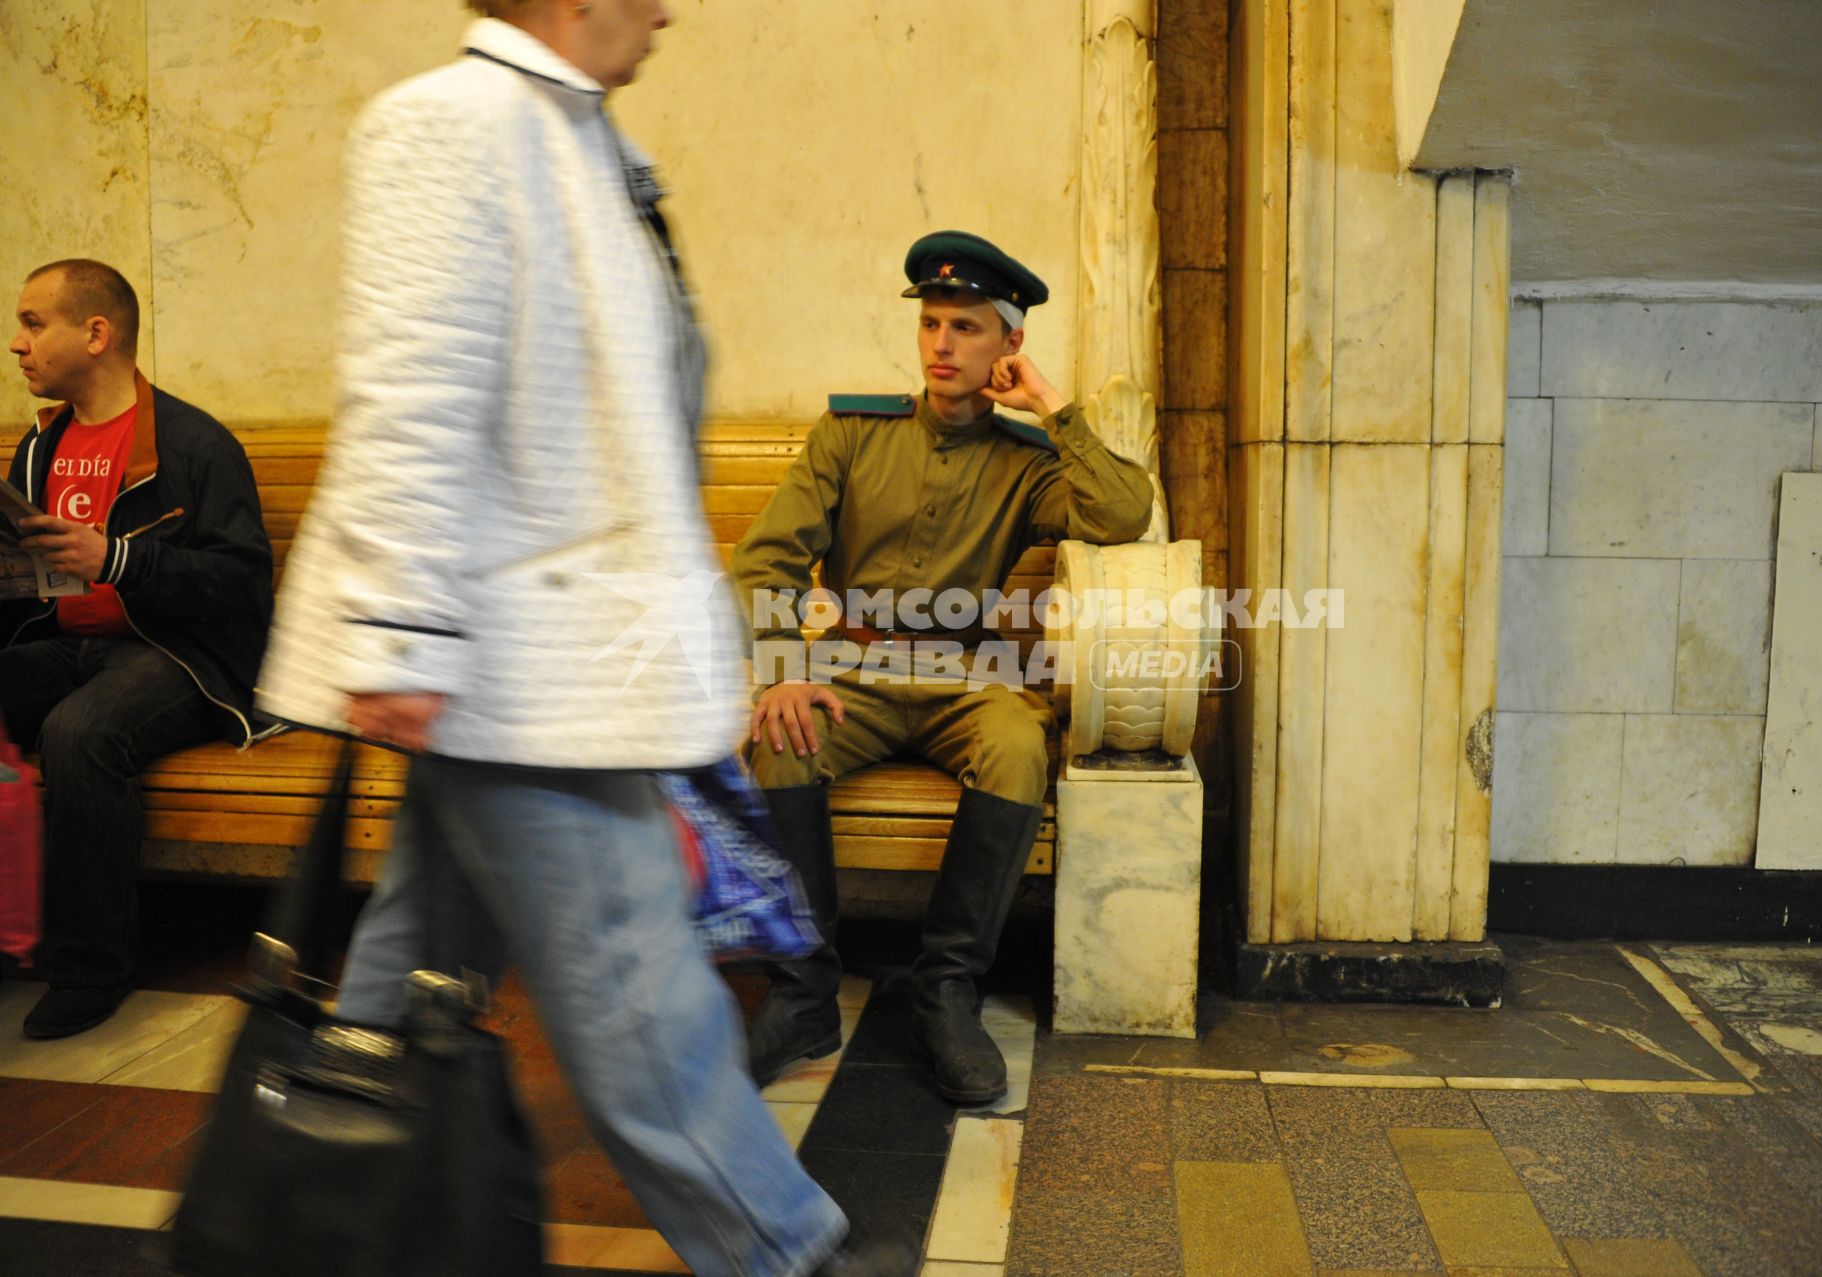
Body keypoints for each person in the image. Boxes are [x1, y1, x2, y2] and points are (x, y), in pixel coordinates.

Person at [254, 4, 907, 1275]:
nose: (668, 8)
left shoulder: (587, 140)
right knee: (638, 1005)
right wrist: (396, 624)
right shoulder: (452, 125)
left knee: (397, 987)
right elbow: (412, 386)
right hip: (515, 664)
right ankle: (788, 1252)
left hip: (548, 659)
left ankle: (303, 1215)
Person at [733, 231, 1155, 1104]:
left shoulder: (1025, 461)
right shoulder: (852, 432)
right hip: (849, 668)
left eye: (965, 327)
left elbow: (1122, 513)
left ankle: (947, 991)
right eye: (931, 324)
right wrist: (781, 669)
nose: (940, 345)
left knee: (1015, 746)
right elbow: (767, 558)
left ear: (1007, 345)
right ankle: (803, 993)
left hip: (966, 679)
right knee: (782, 738)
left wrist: (1051, 406)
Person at [2, 258, 274, 1039]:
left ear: (96, 333)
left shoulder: (194, 443)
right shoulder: (39, 447)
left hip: (183, 657)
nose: (17, 344)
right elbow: (33, 585)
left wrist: (118, 559)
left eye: (32, 322)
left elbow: (242, 585)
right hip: (68, 644)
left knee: (81, 732)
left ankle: (90, 968)